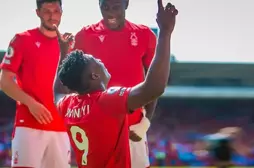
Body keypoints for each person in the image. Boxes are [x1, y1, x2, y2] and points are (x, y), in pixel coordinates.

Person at [53, 0, 178, 167]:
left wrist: (145, 121)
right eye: (96, 60)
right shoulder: (108, 101)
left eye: (115, 6)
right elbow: (153, 87)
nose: (100, 60)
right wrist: (165, 32)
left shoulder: (67, 105)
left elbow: (58, 91)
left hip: (120, 134)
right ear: (94, 75)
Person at [72, 0, 159, 166]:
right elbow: (72, 81)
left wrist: (145, 122)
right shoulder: (84, 36)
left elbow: (153, 83)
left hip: (133, 127)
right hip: (98, 128)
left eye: (116, 7)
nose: (110, 13)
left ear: (126, 4)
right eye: (105, 7)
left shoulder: (144, 35)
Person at [0, 0, 71, 168]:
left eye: (56, 10)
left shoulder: (70, 47)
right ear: (38, 12)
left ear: (61, 12)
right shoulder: (23, 39)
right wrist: (31, 103)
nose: (52, 15)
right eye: (46, 11)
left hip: (62, 128)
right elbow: (4, 81)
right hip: (28, 126)